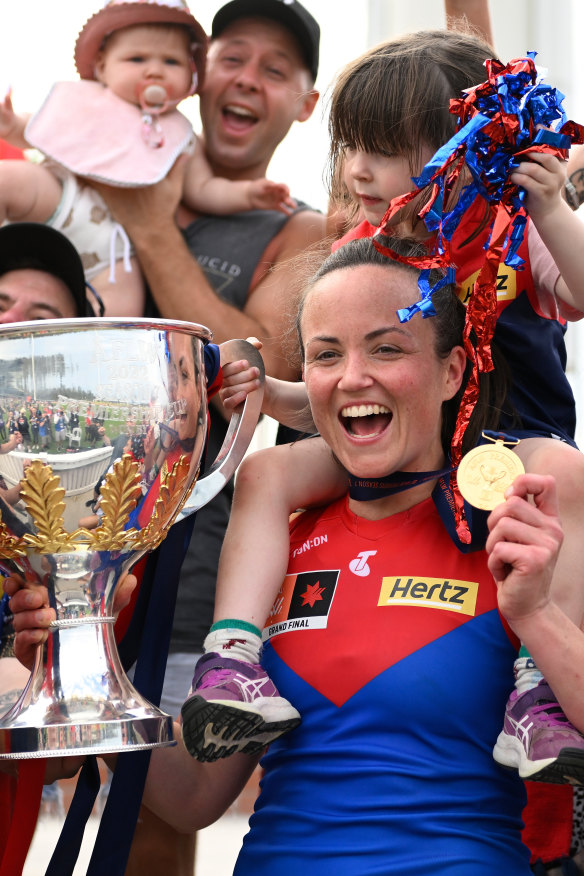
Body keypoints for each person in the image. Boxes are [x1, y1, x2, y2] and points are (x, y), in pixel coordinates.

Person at [10, 237, 584, 875]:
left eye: (386, 348)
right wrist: (87, 672)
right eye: (326, 355)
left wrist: (535, 615)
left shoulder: (508, 532)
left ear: (452, 371)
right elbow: (194, 796)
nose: (352, 377)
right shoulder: (277, 536)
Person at [179, 29, 584, 788]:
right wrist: (266, 393)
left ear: (459, 148)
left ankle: (537, 695)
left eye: (379, 149)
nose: (354, 171)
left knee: (564, 470)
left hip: (508, 449)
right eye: (349, 146)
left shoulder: (515, 227)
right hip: (394, 456)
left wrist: (554, 206)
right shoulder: (363, 252)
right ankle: (231, 660)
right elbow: (338, 404)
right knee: (267, 473)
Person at [0, 0, 295, 318]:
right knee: (8, 179)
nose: (154, 70)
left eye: (171, 61)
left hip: (115, 249)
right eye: (136, 58)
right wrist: (13, 125)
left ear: (191, 76)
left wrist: (249, 194)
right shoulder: (87, 101)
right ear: (102, 66)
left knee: (119, 321)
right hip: (65, 197)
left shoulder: (180, 137)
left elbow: (206, 189)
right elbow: (39, 129)